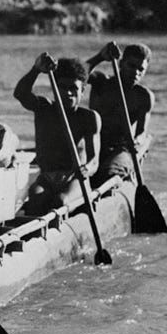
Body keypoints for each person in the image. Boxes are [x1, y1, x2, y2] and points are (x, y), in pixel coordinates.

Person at [13, 53, 101, 216]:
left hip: (75, 179)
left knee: (60, 202)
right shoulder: (44, 108)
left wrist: (86, 169)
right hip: (47, 178)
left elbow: (94, 161)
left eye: (74, 89)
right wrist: (36, 70)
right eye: (62, 87)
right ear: (54, 88)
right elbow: (20, 94)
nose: (68, 93)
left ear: (82, 90)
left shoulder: (89, 118)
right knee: (36, 198)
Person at [86, 41, 155, 185]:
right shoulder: (100, 82)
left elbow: (142, 132)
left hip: (120, 149)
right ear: (120, 63)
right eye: (131, 66)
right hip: (92, 144)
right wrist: (100, 57)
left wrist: (137, 141)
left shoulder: (144, 96)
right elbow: (75, 75)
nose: (136, 72)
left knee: (107, 174)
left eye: (141, 69)